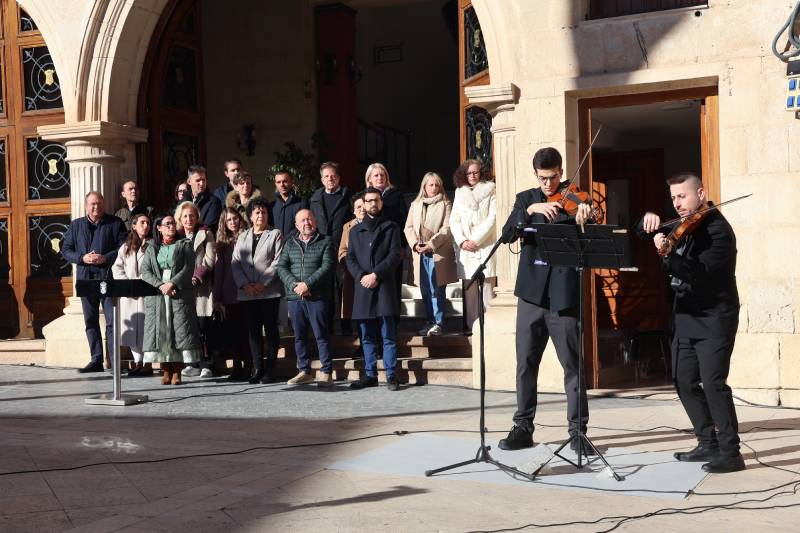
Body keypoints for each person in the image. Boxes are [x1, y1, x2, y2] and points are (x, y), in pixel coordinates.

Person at [638, 172, 744, 474]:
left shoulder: (719, 231)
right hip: (685, 314)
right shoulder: (682, 225)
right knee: (683, 380)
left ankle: (731, 452)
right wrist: (647, 221)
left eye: (682, 196)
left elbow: (699, 274)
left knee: (712, 383)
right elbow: (641, 231)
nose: (677, 203)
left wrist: (668, 255)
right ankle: (706, 441)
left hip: (714, 315)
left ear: (701, 192)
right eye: (673, 198)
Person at [496, 147, 593, 454]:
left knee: (573, 366)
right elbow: (508, 233)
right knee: (525, 363)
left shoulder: (576, 198)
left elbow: (591, 235)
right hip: (531, 295)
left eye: (552, 178)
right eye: (542, 179)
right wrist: (532, 210)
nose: (548, 185)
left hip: (564, 295)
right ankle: (523, 427)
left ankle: (578, 432)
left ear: (561, 173)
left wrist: (584, 216)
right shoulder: (527, 199)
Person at [61, 192, 127, 373]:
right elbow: (66, 250)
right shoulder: (76, 225)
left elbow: (123, 247)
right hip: (85, 278)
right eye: (92, 204)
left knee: (112, 321)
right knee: (90, 321)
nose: (95, 207)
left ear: (103, 205)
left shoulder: (115, 223)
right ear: (85, 206)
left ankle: (114, 362)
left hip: (108, 277)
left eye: (98, 204)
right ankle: (96, 359)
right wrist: (82, 258)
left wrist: (105, 258)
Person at [346, 187, 403, 391]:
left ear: (381, 202)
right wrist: (362, 276)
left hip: (384, 285)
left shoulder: (391, 227)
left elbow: (395, 255)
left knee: (388, 334)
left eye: (376, 200)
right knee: (367, 335)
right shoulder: (354, 231)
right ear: (363, 204)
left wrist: (376, 274)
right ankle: (370, 374)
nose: (372, 204)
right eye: (369, 201)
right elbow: (350, 258)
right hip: (363, 287)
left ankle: (390, 374)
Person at [140, 214, 202, 385]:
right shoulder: (151, 247)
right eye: (167, 224)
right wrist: (161, 285)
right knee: (162, 331)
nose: (171, 226)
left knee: (178, 331)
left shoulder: (184, 244)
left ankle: (177, 370)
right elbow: (145, 271)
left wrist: (172, 283)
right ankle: (165, 369)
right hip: (158, 293)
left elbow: (189, 268)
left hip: (178, 291)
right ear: (158, 228)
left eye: (173, 223)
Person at [277, 209, 336, 387]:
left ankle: (326, 371)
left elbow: (327, 267)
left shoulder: (326, 241)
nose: (306, 223)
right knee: (299, 336)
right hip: (295, 298)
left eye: (309, 219)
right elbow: (281, 267)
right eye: (302, 220)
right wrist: (296, 286)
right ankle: (304, 371)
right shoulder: (290, 243)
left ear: (315, 222)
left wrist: (308, 285)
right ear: (296, 225)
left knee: (321, 334)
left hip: (317, 296)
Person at [232, 197, 284, 384]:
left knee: (270, 330)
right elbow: (236, 262)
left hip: (269, 290)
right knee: (253, 332)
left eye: (263, 212)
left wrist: (263, 283)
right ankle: (257, 369)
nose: (260, 215)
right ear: (250, 216)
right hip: (247, 292)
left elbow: (277, 261)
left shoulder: (275, 234)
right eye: (257, 212)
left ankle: (270, 370)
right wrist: (245, 284)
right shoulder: (243, 236)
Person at [404, 172, 457, 336]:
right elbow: (408, 227)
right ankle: (429, 321)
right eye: (430, 185)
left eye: (436, 185)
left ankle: (438, 323)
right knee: (425, 289)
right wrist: (414, 244)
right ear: (424, 187)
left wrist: (431, 244)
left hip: (437, 252)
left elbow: (447, 228)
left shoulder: (445, 203)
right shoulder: (416, 204)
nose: (434, 188)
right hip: (419, 253)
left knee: (437, 289)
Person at [449, 159, 497, 334]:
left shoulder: (491, 189)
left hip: (484, 245)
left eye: (475, 172)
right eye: (469, 173)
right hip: (466, 248)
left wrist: (475, 240)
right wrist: (462, 241)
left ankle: (489, 327)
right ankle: (472, 327)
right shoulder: (459, 193)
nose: (472, 176)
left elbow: (493, 218)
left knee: (486, 288)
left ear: (481, 172)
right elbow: (454, 219)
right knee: (469, 289)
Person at [309, 161, 354, 332]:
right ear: (321, 179)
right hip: (321, 251)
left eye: (333, 176)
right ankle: (327, 331)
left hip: (342, 250)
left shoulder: (347, 196)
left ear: (338, 178)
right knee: (324, 290)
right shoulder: (314, 198)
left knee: (343, 290)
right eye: (326, 176)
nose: (330, 179)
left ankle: (346, 330)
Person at [175, 201, 216, 378]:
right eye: (185, 216)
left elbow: (210, 258)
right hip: (183, 288)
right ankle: (191, 363)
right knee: (187, 326)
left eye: (192, 215)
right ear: (180, 219)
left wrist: (197, 275)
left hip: (202, 288)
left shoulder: (205, 233)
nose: (188, 219)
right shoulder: (176, 236)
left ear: (197, 217)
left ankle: (207, 364)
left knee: (204, 326)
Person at [111, 213, 153, 377]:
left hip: (146, 293)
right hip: (129, 294)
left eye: (148, 223)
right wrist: (127, 283)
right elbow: (117, 268)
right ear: (134, 225)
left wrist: (143, 282)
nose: (146, 225)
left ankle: (147, 363)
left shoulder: (152, 245)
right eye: (142, 222)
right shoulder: (126, 247)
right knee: (132, 331)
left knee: (145, 330)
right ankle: (137, 362)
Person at [213, 207, 251, 381]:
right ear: (224, 223)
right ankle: (236, 367)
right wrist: (217, 296)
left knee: (247, 332)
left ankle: (249, 367)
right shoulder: (222, 245)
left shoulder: (248, 237)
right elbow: (219, 272)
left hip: (247, 291)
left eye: (235, 219)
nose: (233, 222)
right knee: (234, 333)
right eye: (229, 220)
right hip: (229, 293)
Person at [365, 163, 408, 308]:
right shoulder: (364, 197)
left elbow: (404, 222)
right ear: (369, 179)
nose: (379, 178)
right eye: (376, 175)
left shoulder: (396, 195)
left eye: (382, 175)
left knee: (393, 285)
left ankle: (393, 323)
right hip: (372, 247)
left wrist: (403, 246)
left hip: (393, 246)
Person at [339, 191, 366, 336]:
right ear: (353, 211)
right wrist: (351, 267)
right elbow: (342, 251)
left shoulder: (376, 224)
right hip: (353, 275)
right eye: (358, 207)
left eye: (364, 206)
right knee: (357, 311)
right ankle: (363, 345)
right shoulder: (347, 227)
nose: (362, 210)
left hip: (371, 274)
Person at [269, 170, 307, 238]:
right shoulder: (272, 206)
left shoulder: (301, 203)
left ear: (291, 182)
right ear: (275, 184)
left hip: (294, 245)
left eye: (285, 181)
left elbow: (303, 226)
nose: (282, 185)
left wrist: (285, 240)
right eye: (278, 182)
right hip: (275, 245)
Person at [187, 165, 222, 233]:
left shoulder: (213, 202)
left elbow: (209, 227)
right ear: (189, 181)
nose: (202, 183)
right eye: (198, 180)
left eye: (203, 179)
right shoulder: (184, 200)